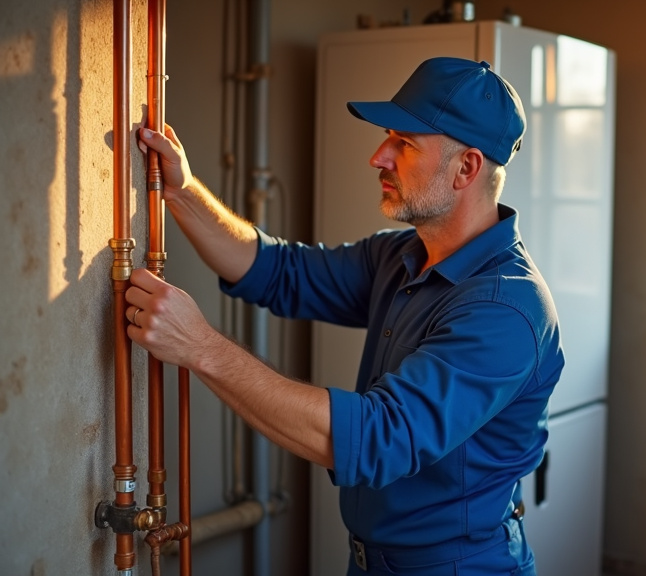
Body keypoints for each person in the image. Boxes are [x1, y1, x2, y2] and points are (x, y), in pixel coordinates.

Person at [127, 57, 563, 575]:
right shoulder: (402, 256)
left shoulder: (505, 309)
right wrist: (181, 191)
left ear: (466, 167)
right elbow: (278, 270)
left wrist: (200, 347)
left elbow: (380, 438)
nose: (378, 156)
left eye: (405, 144)